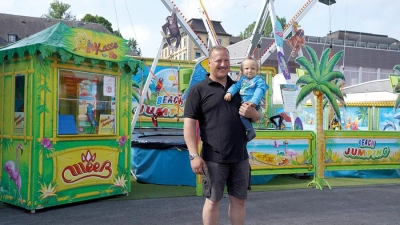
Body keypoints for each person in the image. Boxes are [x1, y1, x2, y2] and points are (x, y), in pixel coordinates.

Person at [184, 45, 261, 225]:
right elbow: (189, 125)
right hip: (213, 158)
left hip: (240, 156)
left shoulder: (239, 87)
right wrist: (194, 155)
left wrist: (254, 114)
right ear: (209, 63)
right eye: (218, 60)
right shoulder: (198, 90)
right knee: (213, 201)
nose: (223, 64)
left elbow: (257, 116)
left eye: (226, 60)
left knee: (239, 201)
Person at [224, 57, 268, 141]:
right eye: (247, 68)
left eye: (252, 68)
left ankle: (250, 131)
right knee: (243, 117)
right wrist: (229, 93)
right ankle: (249, 130)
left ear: (257, 70)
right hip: (245, 103)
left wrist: (254, 101)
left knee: (242, 117)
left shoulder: (258, 80)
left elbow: (259, 91)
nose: (249, 70)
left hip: (252, 103)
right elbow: (235, 87)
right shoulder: (242, 80)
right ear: (242, 70)